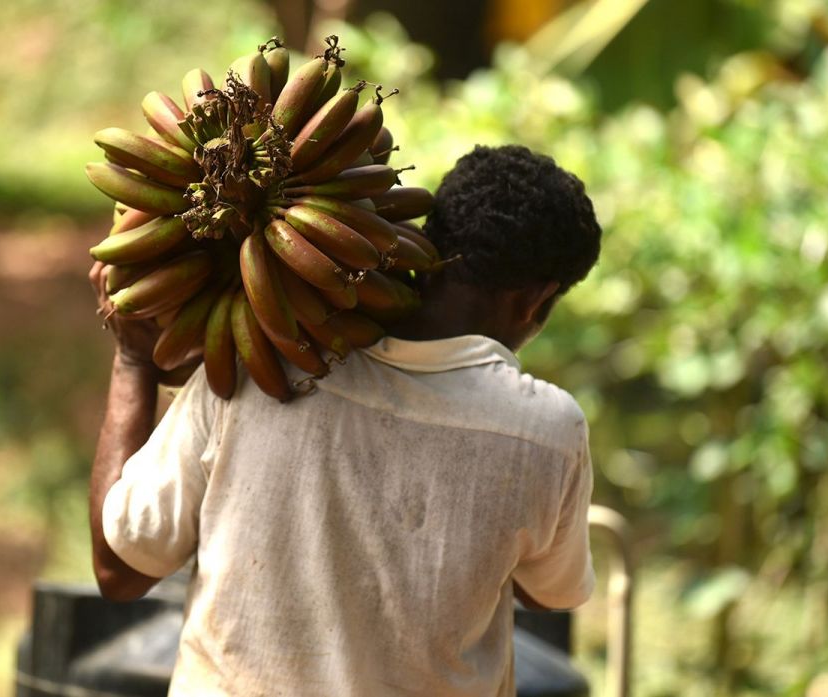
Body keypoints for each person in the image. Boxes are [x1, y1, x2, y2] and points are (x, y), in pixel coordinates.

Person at [88, 144, 603, 696]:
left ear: (433, 237)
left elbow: (122, 570)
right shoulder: (547, 431)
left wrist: (134, 361)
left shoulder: (268, 362)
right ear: (536, 300)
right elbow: (551, 592)